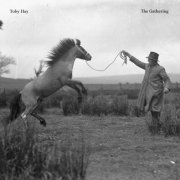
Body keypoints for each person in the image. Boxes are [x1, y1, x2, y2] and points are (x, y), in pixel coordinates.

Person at [121, 50, 171, 133]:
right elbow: (137, 62)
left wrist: (167, 88)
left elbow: (167, 80)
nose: (149, 60)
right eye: (149, 59)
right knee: (152, 110)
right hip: (147, 93)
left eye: (150, 59)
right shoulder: (147, 66)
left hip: (156, 93)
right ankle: (157, 128)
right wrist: (128, 54)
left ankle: (156, 129)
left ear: (155, 60)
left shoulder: (160, 69)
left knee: (155, 110)